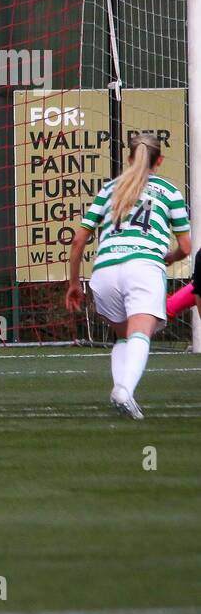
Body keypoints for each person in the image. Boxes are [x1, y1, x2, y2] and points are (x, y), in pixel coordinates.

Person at [66, 132, 191, 419]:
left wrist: (74, 283)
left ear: (128, 158)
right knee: (140, 333)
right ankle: (124, 390)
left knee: (123, 337)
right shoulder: (170, 192)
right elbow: (185, 247)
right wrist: (169, 258)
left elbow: (78, 240)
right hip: (143, 267)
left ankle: (122, 394)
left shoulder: (110, 189)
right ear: (159, 160)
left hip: (105, 271)